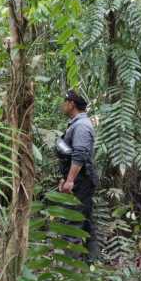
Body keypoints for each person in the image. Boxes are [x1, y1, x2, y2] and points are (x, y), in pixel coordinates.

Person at [56, 90, 100, 260]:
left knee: (71, 223)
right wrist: (65, 177)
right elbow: (70, 156)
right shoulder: (77, 124)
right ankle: (92, 261)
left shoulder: (81, 126)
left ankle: (69, 271)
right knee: (86, 222)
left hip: (80, 182)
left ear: (71, 104)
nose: (62, 105)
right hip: (81, 181)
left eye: (64, 102)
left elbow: (80, 154)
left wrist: (70, 180)